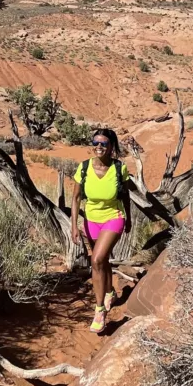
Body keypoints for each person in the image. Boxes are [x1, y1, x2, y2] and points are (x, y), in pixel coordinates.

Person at [69, 127, 132, 333]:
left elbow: (125, 197)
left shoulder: (119, 168)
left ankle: (99, 311)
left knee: (95, 260)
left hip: (113, 218)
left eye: (104, 144)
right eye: (96, 143)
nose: (99, 147)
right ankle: (110, 291)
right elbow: (76, 197)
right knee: (102, 260)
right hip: (91, 220)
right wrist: (74, 226)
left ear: (111, 146)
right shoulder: (84, 168)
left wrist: (128, 219)